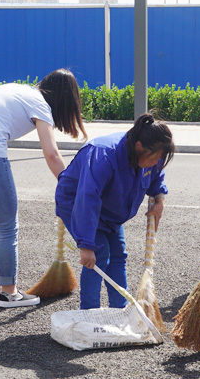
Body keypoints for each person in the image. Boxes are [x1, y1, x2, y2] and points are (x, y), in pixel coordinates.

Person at [0, 68, 87, 308]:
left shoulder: (17, 89)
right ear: (65, 97)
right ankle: (10, 294)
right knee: (7, 227)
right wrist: (70, 186)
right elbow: (51, 154)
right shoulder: (41, 105)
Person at [55, 113, 174, 310]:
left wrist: (159, 198)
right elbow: (87, 198)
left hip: (109, 210)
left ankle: (120, 309)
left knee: (118, 254)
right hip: (78, 204)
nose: (156, 162)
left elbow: (155, 174)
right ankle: (89, 314)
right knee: (98, 255)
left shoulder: (148, 154)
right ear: (138, 147)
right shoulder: (103, 156)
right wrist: (86, 244)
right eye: (154, 158)